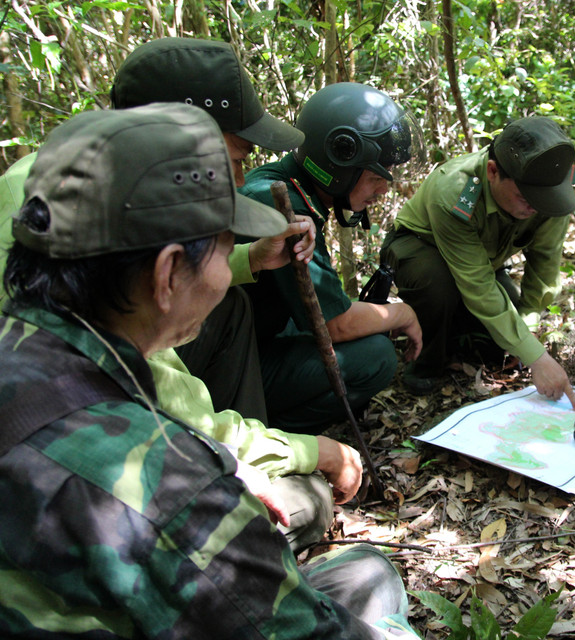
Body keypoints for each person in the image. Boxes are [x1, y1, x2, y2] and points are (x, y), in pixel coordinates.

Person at [0, 104, 419, 638]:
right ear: (169, 272)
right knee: (374, 581)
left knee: (361, 572)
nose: (230, 273)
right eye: (227, 248)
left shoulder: (22, 341)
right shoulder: (171, 487)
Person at [0, 37, 363, 553]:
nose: (240, 179)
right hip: (81, 485)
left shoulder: (67, 182)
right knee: (306, 502)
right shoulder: (74, 219)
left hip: (88, 439)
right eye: (233, 159)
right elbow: (157, 395)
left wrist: (247, 261)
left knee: (232, 305)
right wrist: (306, 452)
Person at [240, 82, 425, 433]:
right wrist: (402, 313)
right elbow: (335, 324)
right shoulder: (283, 205)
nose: (382, 191)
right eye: (374, 178)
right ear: (338, 165)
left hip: (248, 344)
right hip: (232, 367)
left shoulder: (286, 188)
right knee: (376, 357)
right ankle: (266, 430)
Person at [380, 116, 575, 409]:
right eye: (526, 197)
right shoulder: (454, 190)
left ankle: (457, 333)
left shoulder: (551, 192)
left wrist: (527, 328)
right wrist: (537, 357)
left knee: (502, 344)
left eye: (543, 200)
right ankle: (424, 362)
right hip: (421, 250)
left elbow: (545, 266)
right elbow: (477, 284)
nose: (536, 207)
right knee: (437, 284)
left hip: (483, 262)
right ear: (492, 171)